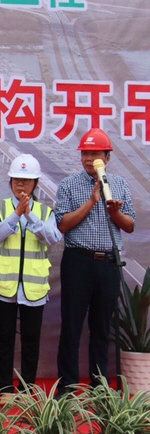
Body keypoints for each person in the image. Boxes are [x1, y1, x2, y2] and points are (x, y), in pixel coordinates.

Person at [55, 127, 135, 396]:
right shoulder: (68, 184)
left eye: (95, 154)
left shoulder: (119, 184)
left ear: (107, 157)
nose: (89, 159)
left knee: (102, 327)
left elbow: (129, 225)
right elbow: (63, 224)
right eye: (85, 154)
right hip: (78, 260)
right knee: (72, 324)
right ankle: (67, 385)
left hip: (109, 262)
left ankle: (99, 385)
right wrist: (91, 202)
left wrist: (115, 213)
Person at [0, 154, 62, 393]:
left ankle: (27, 388)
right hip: (4, 286)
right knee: (4, 339)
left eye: (26, 180)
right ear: (10, 181)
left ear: (35, 183)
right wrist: (16, 214)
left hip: (33, 288)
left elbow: (53, 238)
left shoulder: (45, 211)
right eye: (17, 179)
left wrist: (29, 214)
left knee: (30, 340)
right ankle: (5, 389)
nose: (21, 184)